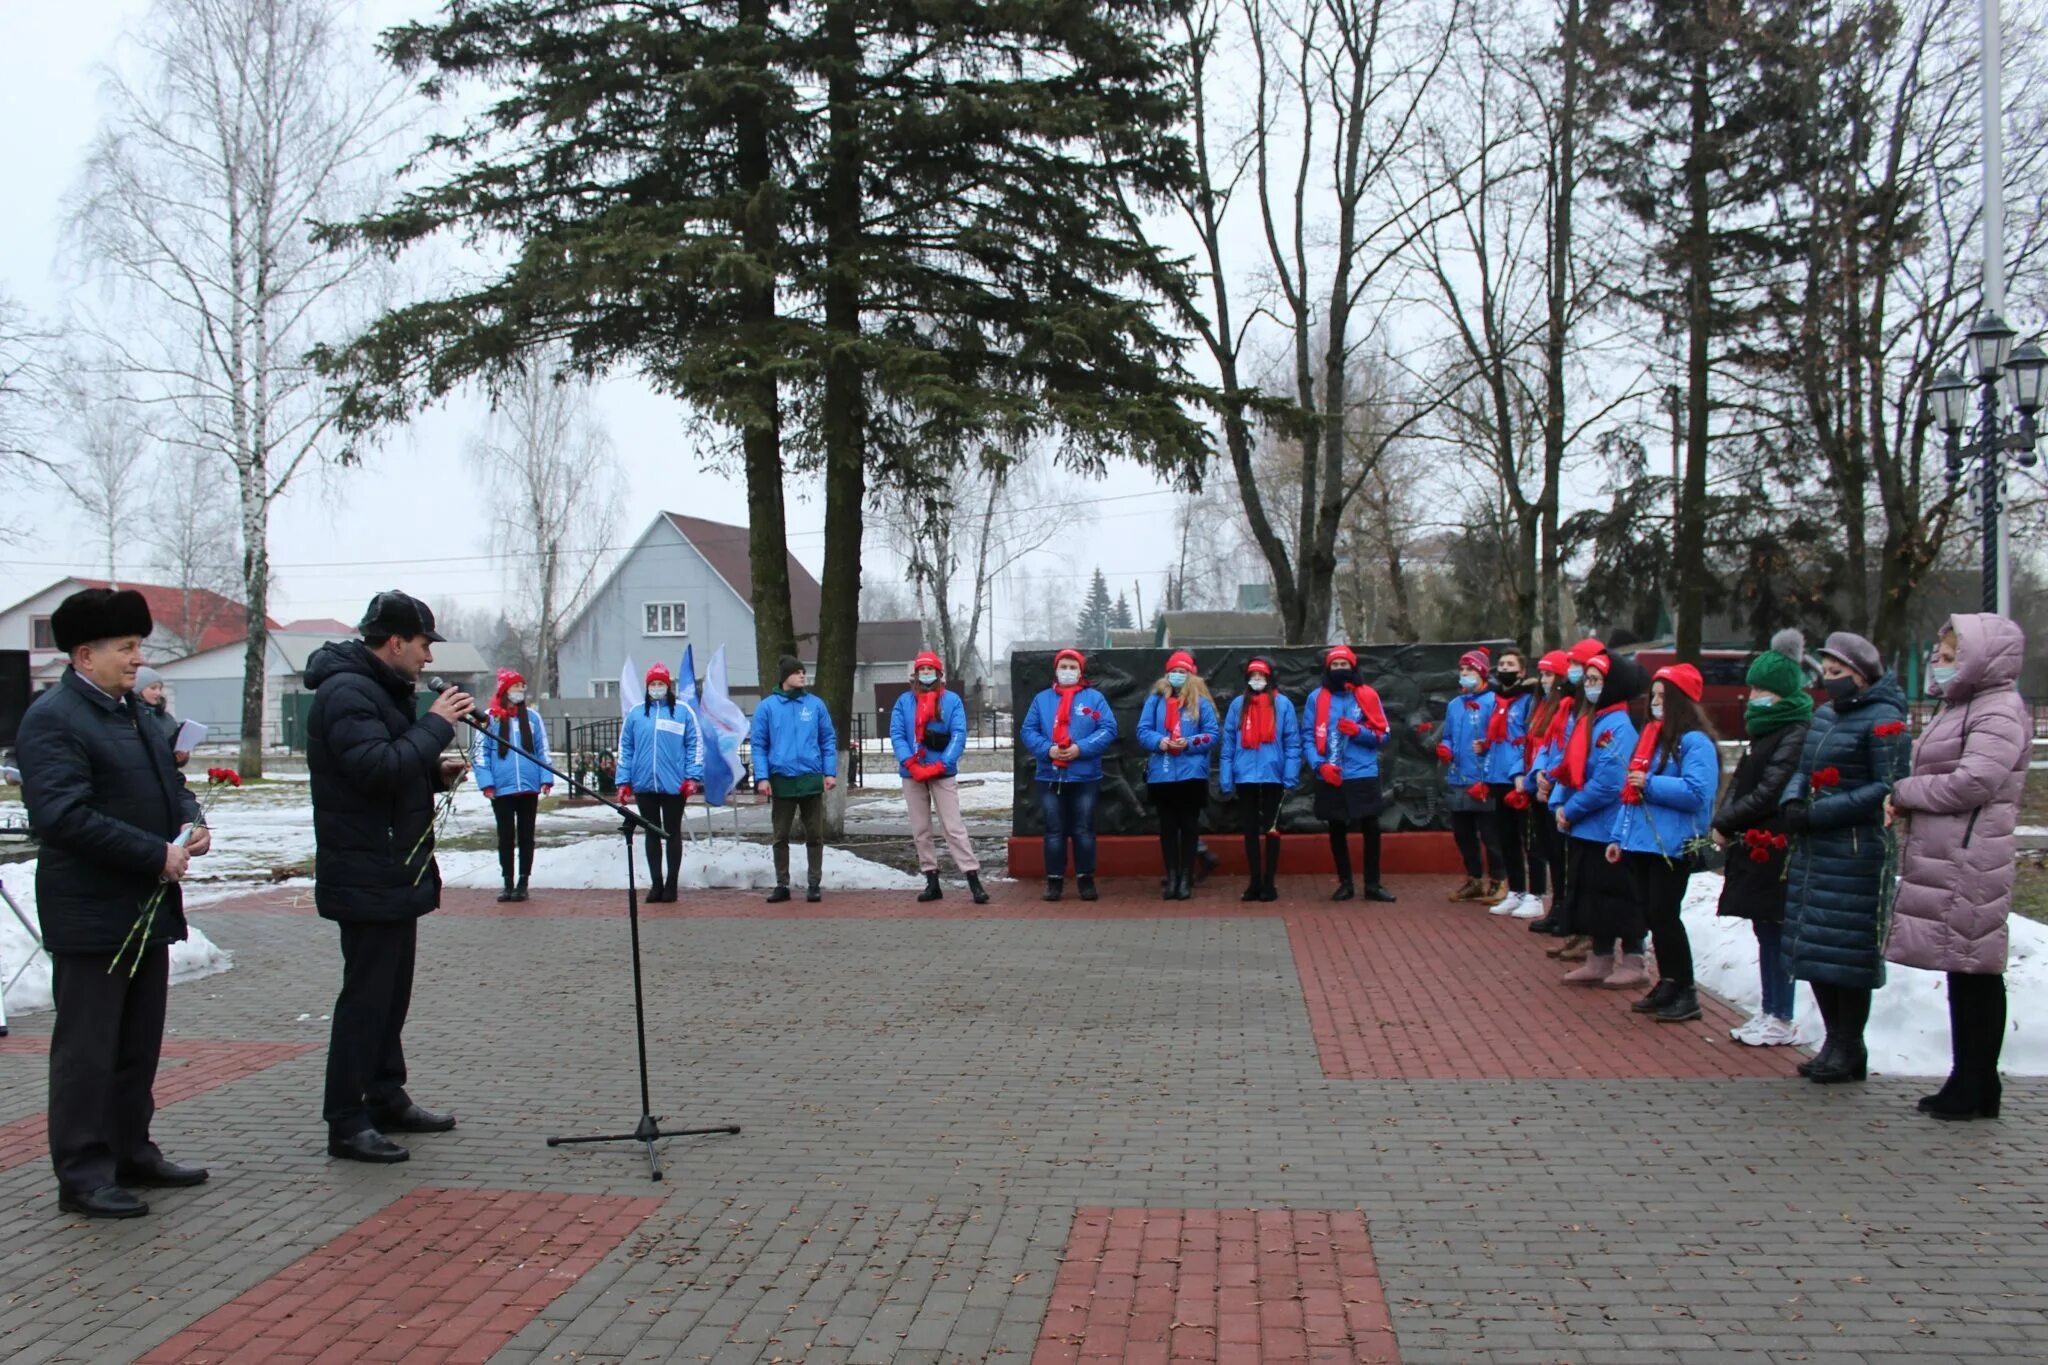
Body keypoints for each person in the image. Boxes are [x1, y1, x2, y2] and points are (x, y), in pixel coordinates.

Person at [16, 587, 210, 1217]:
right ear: (83, 655)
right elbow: (63, 816)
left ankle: (132, 1150)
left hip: (144, 907)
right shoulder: (53, 721)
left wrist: (191, 823)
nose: (136, 660)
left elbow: (170, 784)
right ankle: (82, 1172)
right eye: (126, 648)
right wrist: (153, 854)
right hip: (92, 911)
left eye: (137, 647)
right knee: (88, 1052)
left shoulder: (134, 712)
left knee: (136, 1044)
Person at [305, 590, 473, 1164]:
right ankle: (346, 1119)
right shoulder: (346, 692)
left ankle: (385, 1095)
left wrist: (433, 770)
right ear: (395, 641)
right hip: (366, 871)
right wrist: (434, 729)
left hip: (394, 869)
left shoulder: (380, 690)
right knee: (366, 999)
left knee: (391, 994)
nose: (429, 658)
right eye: (425, 644)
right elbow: (373, 769)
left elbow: (394, 764)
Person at [1887, 614, 2031, 1120]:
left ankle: (1978, 1084)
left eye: (1951, 659)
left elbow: (1972, 782)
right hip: (1949, 852)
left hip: (1973, 856)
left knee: (1976, 969)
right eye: (1941, 658)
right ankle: (1966, 1078)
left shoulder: (1998, 711)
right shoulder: (1962, 707)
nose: (1941, 667)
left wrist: (1904, 793)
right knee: (1961, 967)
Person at [1779, 631, 1911, 1085]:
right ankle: (1833, 1040)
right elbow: (1803, 768)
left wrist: (1822, 812)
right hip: (1817, 851)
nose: (1829, 681)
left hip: (1855, 852)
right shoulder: (1825, 716)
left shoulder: (1884, 720)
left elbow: (1887, 785)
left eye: (1837, 674)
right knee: (1817, 948)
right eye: (1826, 673)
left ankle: (1850, 1045)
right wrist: (1794, 803)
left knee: (1847, 953)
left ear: (1860, 674)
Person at [1711, 630, 1812, 1046]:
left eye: (1761, 688)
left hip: (1775, 845)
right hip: (1752, 844)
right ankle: (1769, 1009)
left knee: (1776, 929)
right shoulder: (1765, 731)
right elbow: (1742, 783)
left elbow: (1769, 790)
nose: (1753, 695)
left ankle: (1782, 1015)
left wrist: (1728, 820)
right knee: (1763, 929)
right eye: (1752, 686)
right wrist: (1725, 817)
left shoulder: (1795, 732)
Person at [1614, 663, 1720, 1022]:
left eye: (1663, 696)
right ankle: (1669, 981)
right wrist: (1619, 836)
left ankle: (1685, 988)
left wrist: (1651, 784)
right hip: (1644, 844)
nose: (1655, 702)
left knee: (1665, 914)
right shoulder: (1654, 740)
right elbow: (1630, 793)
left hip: (1672, 846)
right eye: (1653, 696)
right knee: (1652, 914)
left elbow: (1698, 792)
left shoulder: (1694, 743)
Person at [1555, 654, 1648, 987]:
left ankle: (1634, 959)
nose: (1590, 687)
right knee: (1594, 897)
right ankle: (1600, 957)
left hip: (1607, 825)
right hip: (1586, 826)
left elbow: (1609, 782)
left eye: (1597, 681)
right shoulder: (1591, 719)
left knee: (1618, 895)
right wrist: (1559, 803)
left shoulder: (1617, 726)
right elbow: (1569, 766)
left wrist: (1572, 808)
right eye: (1588, 681)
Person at [890, 651, 989, 905]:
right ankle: (931, 879)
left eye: (929, 670)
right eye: (921, 670)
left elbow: (958, 734)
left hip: (942, 772)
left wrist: (943, 763)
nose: (925, 675)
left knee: (953, 828)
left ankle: (972, 878)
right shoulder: (904, 702)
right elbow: (897, 734)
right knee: (921, 829)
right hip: (912, 773)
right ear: (915, 674)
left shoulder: (951, 700)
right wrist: (909, 762)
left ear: (938, 673)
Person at [1020, 648, 1118, 902]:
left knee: (1083, 829)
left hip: (1085, 776)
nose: (1067, 671)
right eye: (1063, 666)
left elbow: (1107, 727)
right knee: (1054, 830)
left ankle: (1086, 879)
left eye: (1072, 667)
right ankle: (1054, 881)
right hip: (1050, 776)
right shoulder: (1042, 700)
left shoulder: (1093, 699)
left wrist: (1080, 749)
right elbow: (1029, 730)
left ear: (1080, 671)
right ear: (1055, 669)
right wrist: (1048, 749)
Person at [1302, 644, 1395, 903]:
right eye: (1335, 665)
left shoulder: (1367, 695)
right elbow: (1308, 736)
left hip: (1362, 772)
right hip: (1331, 771)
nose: (1340, 669)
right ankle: (1345, 883)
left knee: (1371, 826)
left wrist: (1359, 732)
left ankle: (1373, 884)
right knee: (1336, 826)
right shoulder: (1316, 698)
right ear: (1328, 668)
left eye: (1344, 665)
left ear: (1353, 667)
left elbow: (1383, 734)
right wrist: (1320, 765)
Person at [752, 656, 838, 903]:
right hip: (782, 780)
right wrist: (762, 777)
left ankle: (814, 883)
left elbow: (827, 739)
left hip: (811, 778)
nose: (803, 676)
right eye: (797, 672)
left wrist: (829, 772)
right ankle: (782, 883)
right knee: (780, 835)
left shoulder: (815, 705)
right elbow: (759, 745)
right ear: (785, 677)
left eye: (803, 672)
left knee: (815, 834)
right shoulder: (767, 707)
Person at [1137, 651, 1221, 901]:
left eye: (1182, 672)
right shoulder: (1155, 701)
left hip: (1191, 773)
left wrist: (1190, 743)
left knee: (1188, 825)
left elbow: (1212, 734)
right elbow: (1142, 731)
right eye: (1173, 672)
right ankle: (1171, 876)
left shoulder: (1200, 703)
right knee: (1167, 827)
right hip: (1162, 773)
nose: (1177, 676)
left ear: (1190, 675)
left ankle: (1186, 877)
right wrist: (1160, 741)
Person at [1219, 657, 1302, 902]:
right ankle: (1254, 881)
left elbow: (1292, 743)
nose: (1258, 681)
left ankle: (1269, 882)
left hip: (1273, 775)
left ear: (1269, 679)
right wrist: (1227, 777)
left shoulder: (1282, 704)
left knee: (1272, 829)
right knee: (1250, 830)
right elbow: (1229, 744)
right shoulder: (1238, 705)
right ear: (1247, 680)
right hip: (1245, 776)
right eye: (1254, 677)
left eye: (1262, 677)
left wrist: (1290, 774)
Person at [620, 663, 704, 903]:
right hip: (645, 783)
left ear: (668, 686)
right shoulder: (636, 714)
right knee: (651, 832)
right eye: (653, 684)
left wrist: (692, 777)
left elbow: (694, 745)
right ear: (647, 687)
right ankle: (656, 883)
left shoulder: (683, 711)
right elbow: (626, 747)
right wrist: (624, 780)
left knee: (672, 832)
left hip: (674, 785)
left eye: (661, 684)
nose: (657, 688)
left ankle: (672, 884)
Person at [472, 669, 552, 903]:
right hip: (502, 789)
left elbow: (542, 749)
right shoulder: (491, 718)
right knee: (506, 836)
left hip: (528, 788)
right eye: (514, 687)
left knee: (526, 836)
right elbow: (481, 753)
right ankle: (507, 881)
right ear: (504, 691)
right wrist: (486, 783)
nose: (519, 692)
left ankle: (523, 882)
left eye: (521, 687)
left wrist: (545, 777)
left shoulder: (533, 718)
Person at [1439, 648, 1506, 904]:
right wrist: (1445, 747)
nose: (1464, 674)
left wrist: (1486, 746)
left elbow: (1501, 739)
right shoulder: (1455, 705)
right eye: (1462, 670)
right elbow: (1448, 735)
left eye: (1469, 670)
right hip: (1458, 778)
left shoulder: (1493, 702)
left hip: (1483, 780)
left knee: (1490, 835)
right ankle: (1474, 879)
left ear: (1481, 672)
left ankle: (1499, 880)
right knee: (1463, 834)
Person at [1484, 647, 1540, 917]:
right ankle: (1516, 890)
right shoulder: (1497, 700)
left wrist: (1521, 772)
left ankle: (1536, 894)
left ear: (1522, 670)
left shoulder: (1529, 700)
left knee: (1528, 838)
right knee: (1505, 838)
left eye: (1510, 664)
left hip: (1518, 778)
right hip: (1497, 775)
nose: (1505, 668)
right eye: (1502, 664)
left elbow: (1531, 739)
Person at [1520, 650, 1574, 929]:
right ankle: (1557, 908)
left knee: (1560, 852)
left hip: (1556, 788)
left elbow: (1561, 747)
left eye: (1550, 674)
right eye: (1542, 674)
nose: (1543, 680)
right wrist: (1534, 776)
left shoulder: (1565, 707)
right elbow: (1537, 746)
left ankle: (1564, 910)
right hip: (1539, 784)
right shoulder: (1540, 706)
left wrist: (1548, 777)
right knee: (1549, 850)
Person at [134, 665, 189, 766]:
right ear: (137, 690)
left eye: (160, 688)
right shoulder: (130, 718)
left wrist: (182, 756)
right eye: (153, 688)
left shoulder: (167, 718)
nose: (158, 693)